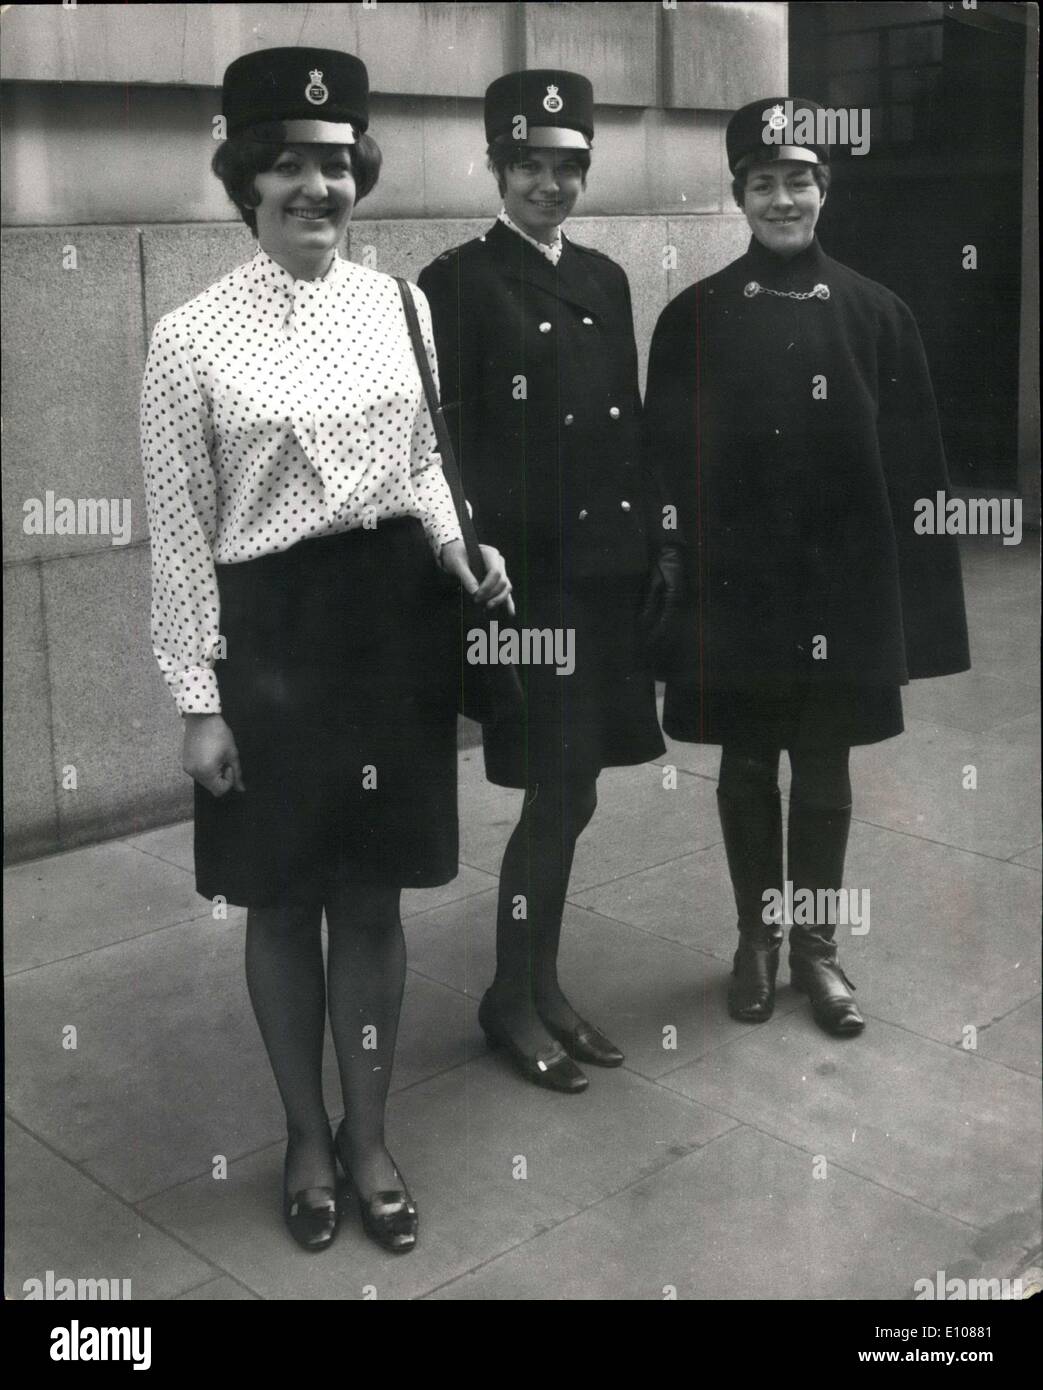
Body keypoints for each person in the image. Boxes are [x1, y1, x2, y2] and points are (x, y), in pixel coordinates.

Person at [140, 46, 511, 1254]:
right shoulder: (186, 340)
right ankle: (303, 1136)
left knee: (372, 899)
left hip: (387, 632)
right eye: (288, 163)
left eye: (337, 163)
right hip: (271, 648)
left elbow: (418, 468)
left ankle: (367, 1132)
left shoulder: (401, 306)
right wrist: (199, 698)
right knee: (280, 897)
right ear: (245, 176)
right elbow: (183, 534)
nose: (316, 186)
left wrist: (460, 551)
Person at [643, 97, 970, 1037]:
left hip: (844, 590)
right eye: (762, 182)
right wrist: (665, 566)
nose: (780, 198)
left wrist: (915, 610)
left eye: (798, 181)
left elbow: (915, 470)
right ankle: (754, 939)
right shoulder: (693, 318)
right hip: (731, 591)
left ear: (824, 190)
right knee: (746, 764)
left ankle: (815, 949)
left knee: (823, 767)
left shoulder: (878, 314)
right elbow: (662, 460)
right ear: (737, 194)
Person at [418, 70, 669, 1094]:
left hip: (605, 579)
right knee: (552, 789)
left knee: (575, 795)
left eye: (568, 167)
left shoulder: (605, 278)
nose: (551, 185)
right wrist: (474, 559)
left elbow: (631, 425)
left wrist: (661, 537)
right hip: (527, 591)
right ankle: (509, 1000)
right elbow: (442, 447)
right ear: (496, 165)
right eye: (530, 165)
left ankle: (541, 984)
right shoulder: (455, 283)